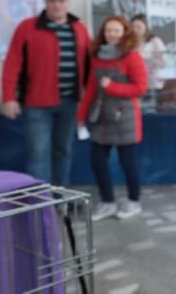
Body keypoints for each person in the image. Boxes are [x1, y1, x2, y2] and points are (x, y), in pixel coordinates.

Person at [1, 0, 91, 186]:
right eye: (52, 0)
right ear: (45, 3)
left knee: (63, 152)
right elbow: (12, 63)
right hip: (36, 104)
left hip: (69, 103)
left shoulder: (79, 29)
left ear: (67, 3)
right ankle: (40, 206)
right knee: (38, 156)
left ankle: (60, 199)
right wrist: (8, 97)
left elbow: (90, 63)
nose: (56, 5)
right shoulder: (27, 27)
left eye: (61, 0)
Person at [76, 15, 148, 221]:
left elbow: (140, 87)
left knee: (128, 162)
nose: (112, 34)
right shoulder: (97, 56)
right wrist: (81, 116)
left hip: (125, 118)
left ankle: (134, 201)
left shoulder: (132, 57)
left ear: (124, 32)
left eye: (116, 30)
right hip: (101, 117)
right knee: (97, 161)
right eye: (108, 30)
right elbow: (91, 88)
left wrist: (112, 87)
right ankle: (107, 201)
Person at [130, 14, 166, 91]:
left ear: (146, 27)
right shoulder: (131, 44)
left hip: (153, 81)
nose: (135, 29)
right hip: (136, 82)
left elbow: (164, 61)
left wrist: (147, 60)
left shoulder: (155, 41)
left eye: (138, 27)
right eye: (132, 27)